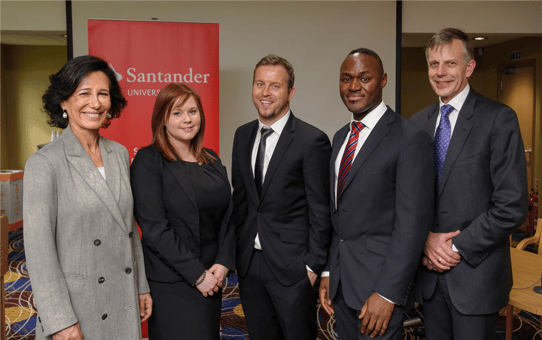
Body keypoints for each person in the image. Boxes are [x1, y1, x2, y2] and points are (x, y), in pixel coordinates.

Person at [410, 28, 529, 340]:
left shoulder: (498, 119)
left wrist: (454, 246)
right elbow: (410, 198)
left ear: (469, 67)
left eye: (450, 63)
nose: (440, 72)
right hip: (429, 276)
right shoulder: (417, 123)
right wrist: (425, 241)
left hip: (477, 278)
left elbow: (511, 206)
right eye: (434, 64)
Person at [23, 55, 152, 340]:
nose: (95, 103)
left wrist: (141, 286)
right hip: (77, 308)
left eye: (103, 94)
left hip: (122, 295)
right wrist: (60, 321)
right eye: (84, 93)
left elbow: (129, 230)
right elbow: (39, 254)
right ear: (63, 102)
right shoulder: (44, 163)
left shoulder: (118, 154)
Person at [318, 48, 435, 340]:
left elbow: (412, 226)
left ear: (382, 80)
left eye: (364, 78)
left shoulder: (409, 138)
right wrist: (330, 272)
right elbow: (340, 215)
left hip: (378, 290)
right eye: (346, 79)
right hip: (343, 285)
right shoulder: (340, 138)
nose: (353, 86)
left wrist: (387, 294)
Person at [229, 54, 332, 340]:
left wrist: (312, 266)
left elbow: (321, 212)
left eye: (275, 86)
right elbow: (241, 202)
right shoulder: (242, 135)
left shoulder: (312, 141)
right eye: (259, 84)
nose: (265, 92)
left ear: (290, 92)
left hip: (293, 269)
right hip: (251, 266)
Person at [130, 82, 234, 340]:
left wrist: (223, 262)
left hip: (213, 276)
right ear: (162, 119)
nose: (187, 120)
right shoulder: (148, 161)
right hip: (173, 280)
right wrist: (198, 276)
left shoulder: (210, 158)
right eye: (177, 113)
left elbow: (229, 216)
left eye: (192, 111)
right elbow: (154, 228)